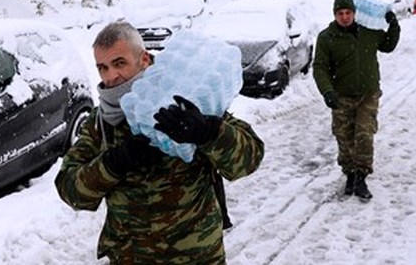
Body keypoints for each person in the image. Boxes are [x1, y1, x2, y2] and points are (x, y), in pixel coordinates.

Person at [55, 21, 264, 264]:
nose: (110, 76)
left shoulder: (183, 98)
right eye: (102, 67)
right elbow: (70, 189)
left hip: (195, 256)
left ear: (144, 59)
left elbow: (249, 158)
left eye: (119, 63)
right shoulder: (101, 123)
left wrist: (207, 131)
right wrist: (113, 163)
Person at [312, 0, 400, 201]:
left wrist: (394, 25)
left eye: (348, 12)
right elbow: (320, 68)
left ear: (354, 13)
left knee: (364, 133)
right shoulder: (327, 38)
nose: (345, 17)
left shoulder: (368, 32)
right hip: (341, 95)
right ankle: (349, 174)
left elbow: (388, 45)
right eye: (340, 13)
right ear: (335, 15)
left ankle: (361, 176)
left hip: (368, 93)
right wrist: (327, 91)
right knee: (344, 136)